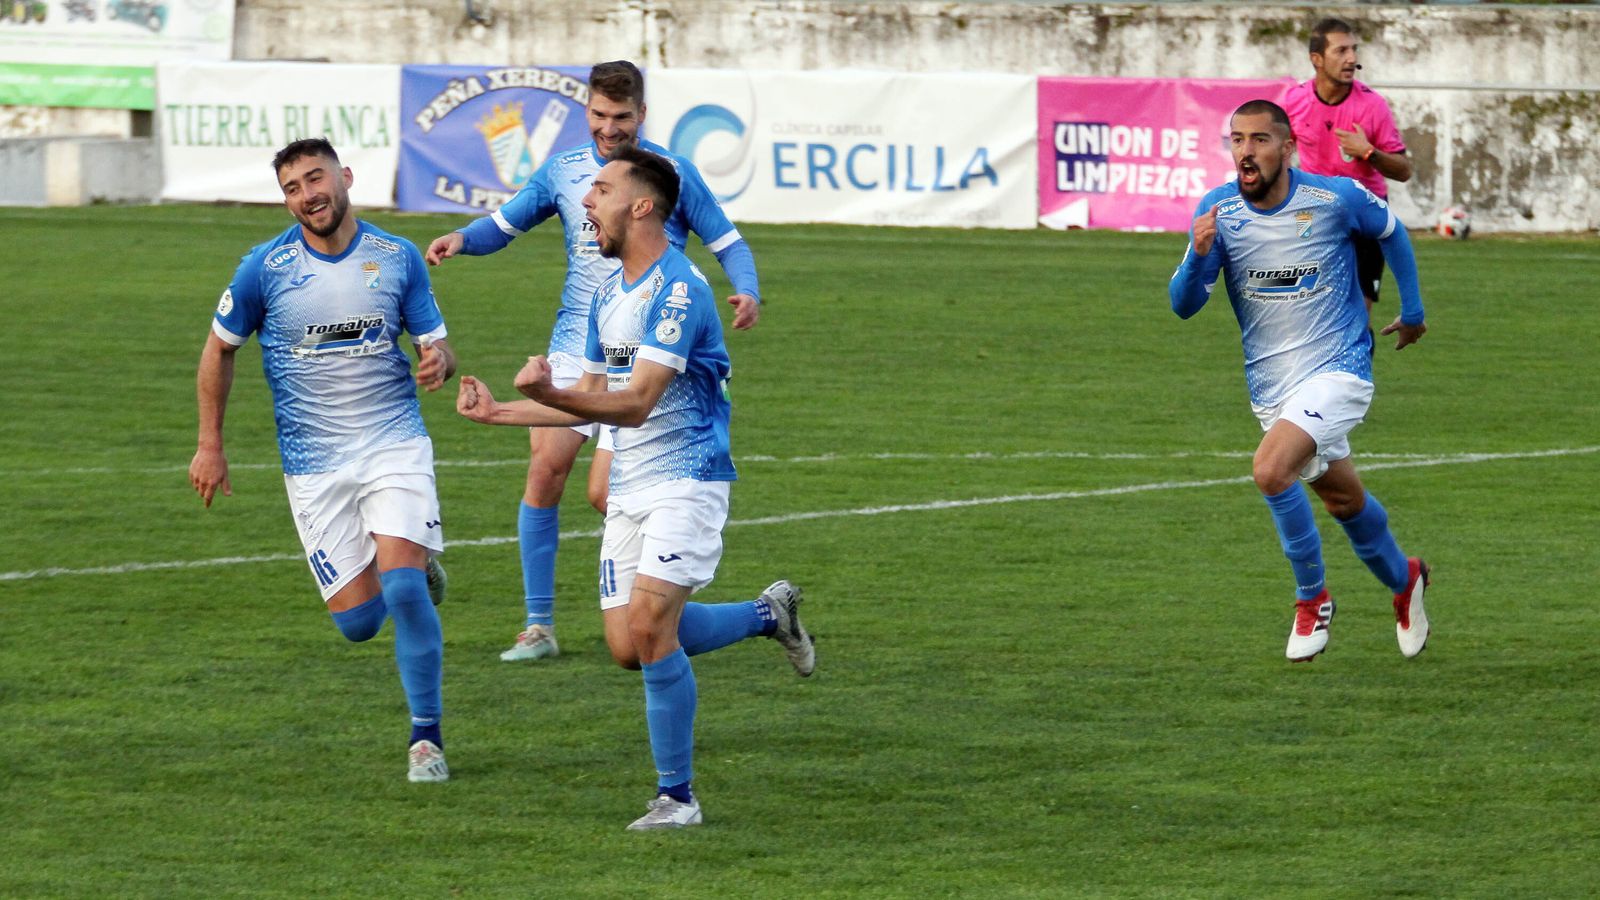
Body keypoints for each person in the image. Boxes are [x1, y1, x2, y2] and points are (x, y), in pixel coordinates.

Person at [455, 145, 812, 830]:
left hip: (688, 481)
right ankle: (770, 615)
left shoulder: (680, 290)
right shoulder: (605, 295)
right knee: (628, 646)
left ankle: (677, 799)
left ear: (641, 205)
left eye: (600, 190)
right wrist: (503, 410)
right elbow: (588, 399)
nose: (586, 202)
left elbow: (637, 402)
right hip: (629, 491)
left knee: (650, 630)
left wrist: (552, 389)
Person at [426, 60, 763, 664]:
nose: (609, 128)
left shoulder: (665, 176)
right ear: (587, 111)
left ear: (642, 115)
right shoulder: (565, 172)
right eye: (599, 116)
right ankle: (540, 625)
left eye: (622, 117)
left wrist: (747, 288)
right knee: (546, 471)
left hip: (653, 345)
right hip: (582, 341)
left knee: (604, 491)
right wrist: (461, 239)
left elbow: (726, 239)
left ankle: (661, 609)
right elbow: (506, 223)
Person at [188, 138, 458, 781]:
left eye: (316, 178)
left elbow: (438, 345)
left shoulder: (396, 258)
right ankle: (420, 575)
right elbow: (218, 349)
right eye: (292, 187)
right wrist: (210, 444)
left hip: (392, 440)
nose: (308, 195)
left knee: (398, 585)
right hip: (313, 463)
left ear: (346, 178)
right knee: (361, 623)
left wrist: (438, 362)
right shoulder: (264, 268)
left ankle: (427, 739)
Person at [1168, 100, 1431, 663]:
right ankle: (1406, 579)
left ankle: (1312, 599)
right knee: (1343, 501)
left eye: (1260, 139)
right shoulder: (1218, 212)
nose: (1245, 150)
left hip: (1340, 372)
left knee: (1269, 470)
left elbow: (1392, 231)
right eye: (1236, 138)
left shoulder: (1332, 198)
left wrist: (1411, 310)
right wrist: (1197, 256)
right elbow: (1183, 306)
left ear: (1287, 148)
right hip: (1274, 392)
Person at [1281, 17, 1413, 315]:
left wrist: (1368, 152)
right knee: (1306, 310)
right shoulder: (1294, 100)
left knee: (1358, 316)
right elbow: (1280, 154)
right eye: (1341, 51)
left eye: (1353, 50)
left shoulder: (1372, 106)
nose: (1351, 58)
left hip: (1365, 215)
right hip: (1311, 214)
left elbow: (1404, 170)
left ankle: (1357, 360)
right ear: (1317, 59)